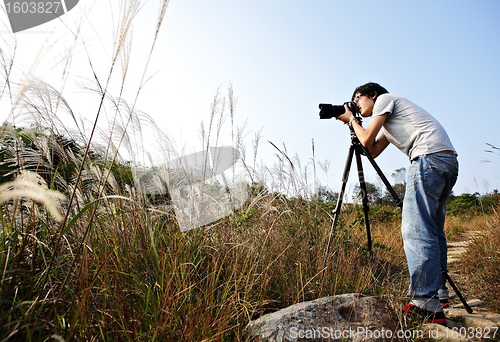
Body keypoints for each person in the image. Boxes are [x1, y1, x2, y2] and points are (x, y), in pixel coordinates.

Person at [336, 82, 458, 325]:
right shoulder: (393, 120)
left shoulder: (384, 99)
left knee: (416, 230)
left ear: (372, 95)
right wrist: (354, 127)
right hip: (446, 162)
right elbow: (373, 150)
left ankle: (425, 302)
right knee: (433, 231)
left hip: (426, 161)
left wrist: (352, 121)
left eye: (358, 98)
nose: (357, 104)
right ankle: (440, 294)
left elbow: (367, 136)